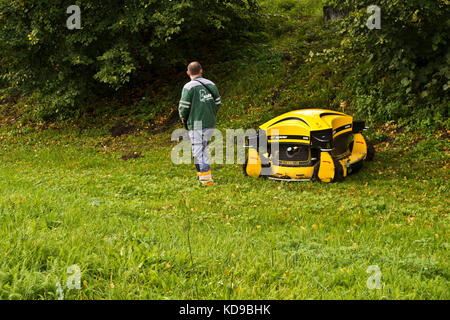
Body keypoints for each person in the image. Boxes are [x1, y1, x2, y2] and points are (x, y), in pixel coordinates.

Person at [179, 62, 221, 186]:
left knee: (200, 150)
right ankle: (201, 175)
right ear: (201, 70)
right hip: (210, 122)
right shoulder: (211, 84)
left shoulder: (188, 87)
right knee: (200, 148)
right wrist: (211, 114)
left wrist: (183, 118)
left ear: (188, 72)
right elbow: (218, 102)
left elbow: (184, 107)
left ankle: (206, 179)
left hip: (196, 124)